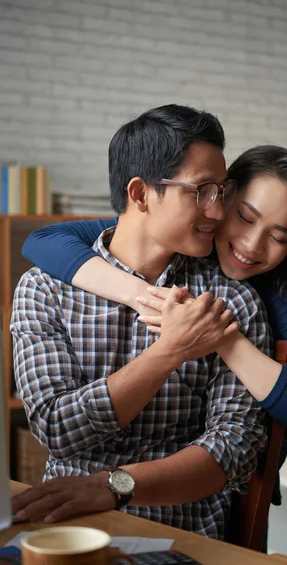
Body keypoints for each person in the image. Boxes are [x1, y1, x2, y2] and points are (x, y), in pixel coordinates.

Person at [11, 104, 273, 540]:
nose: (216, 211)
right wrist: (170, 352)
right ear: (140, 194)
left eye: (221, 191)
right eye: (202, 191)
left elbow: (235, 449)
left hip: (182, 536)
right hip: (66, 529)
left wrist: (114, 486)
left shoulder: (230, 300)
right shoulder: (45, 289)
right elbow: (56, 428)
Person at [22, 145, 287, 454]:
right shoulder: (174, 240)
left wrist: (216, 333)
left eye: (278, 237)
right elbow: (42, 240)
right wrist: (147, 297)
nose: (252, 245)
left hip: (224, 492)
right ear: (220, 198)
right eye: (244, 217)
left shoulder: (277, 291)